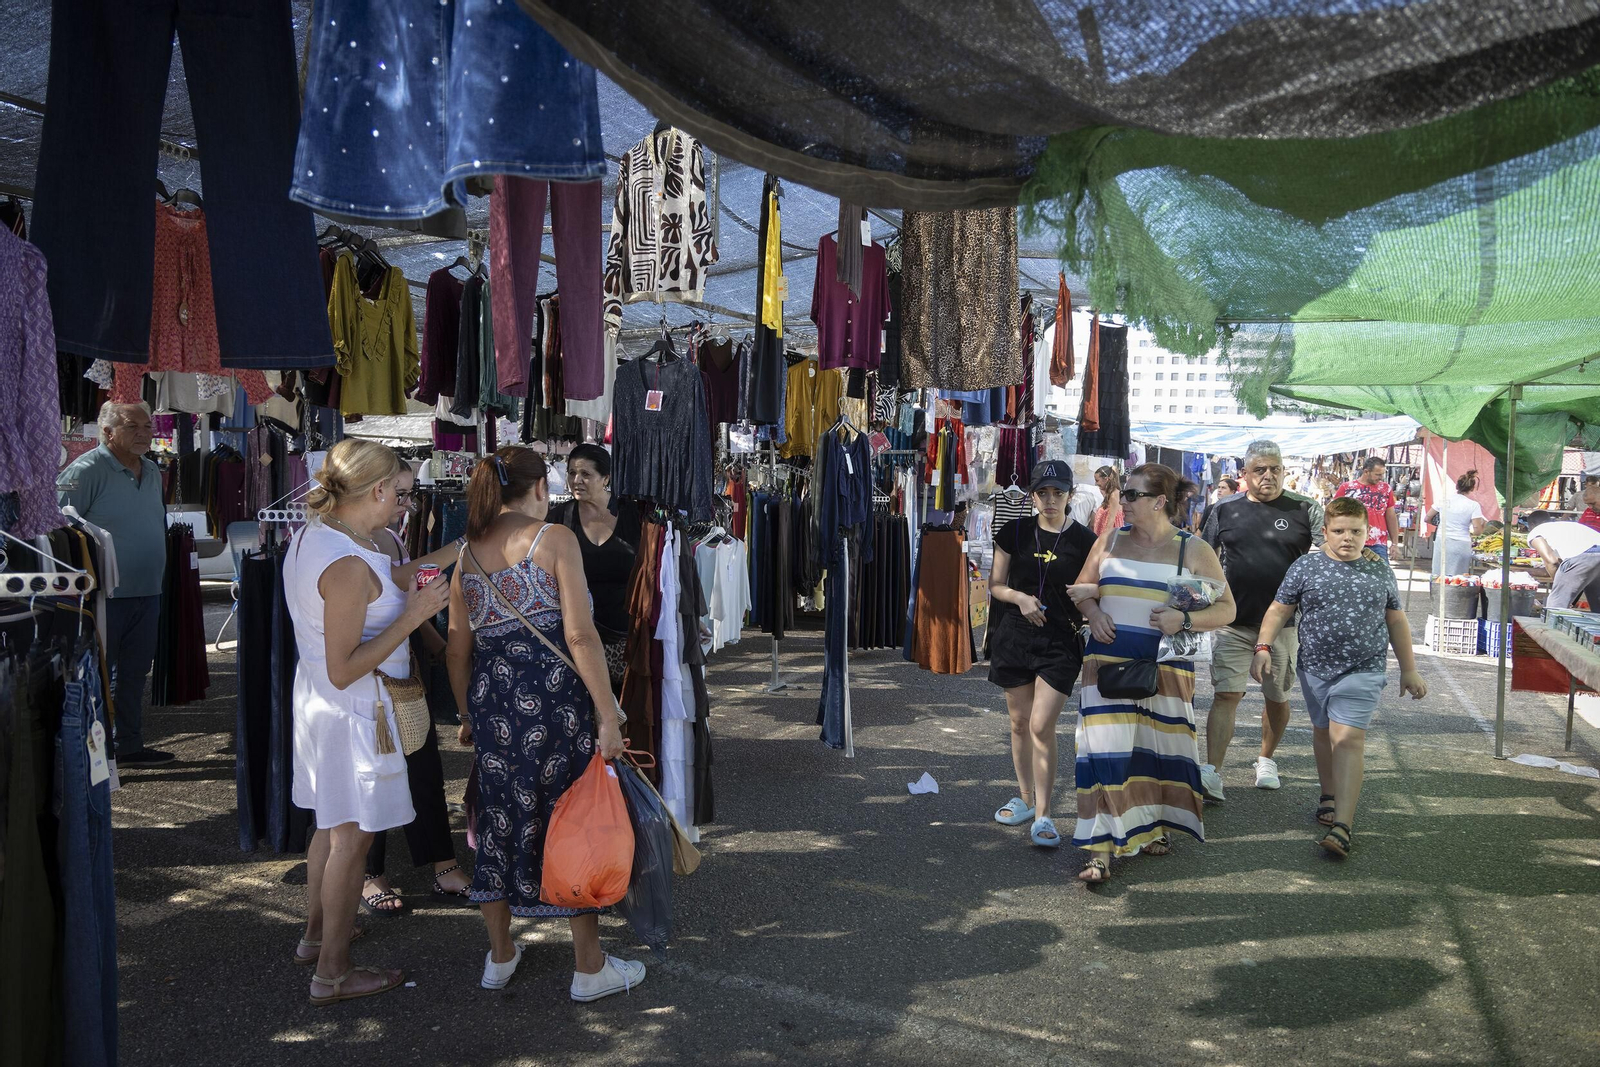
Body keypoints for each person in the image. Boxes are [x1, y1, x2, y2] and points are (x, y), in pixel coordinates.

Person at [446, 446, 642, 1000]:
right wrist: (609, 714)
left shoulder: (466, 554)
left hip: (493, 704)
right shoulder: (553, 540)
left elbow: (457, 651)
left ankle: (500, 956)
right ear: (538, 489)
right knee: (570, 816)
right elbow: (580, 637)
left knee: (498, 821)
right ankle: (588, 968)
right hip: (554, 704)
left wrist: (465, 713)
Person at [284, 439, 453, 1005]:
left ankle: (315, 937)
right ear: (377, 490)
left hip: (328, 709)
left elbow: (393, 573)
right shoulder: (348, 562)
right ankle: (332, 973)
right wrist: (415, 619)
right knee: (351, 840)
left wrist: (458, 548)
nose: (404, 504)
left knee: (331, 828)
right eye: (399, 493)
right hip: (355, 711)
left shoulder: (325, 534)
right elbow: (343, 667)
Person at [1067, 463, 1235, 884]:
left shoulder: (1192, 549)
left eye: (1132, 495)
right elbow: (1081, 589)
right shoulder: (1108, 539)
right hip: (1106, 661)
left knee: (1155, 751)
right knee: (1103, 751)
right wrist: (1093, 612)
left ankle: (1151, 826)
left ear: (1160, 501)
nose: (1122, 501)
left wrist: (1186, 620)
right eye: (1123, 494)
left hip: (1166, 666)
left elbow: (1227, 609)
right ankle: (1100, 850)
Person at [1251, 497, 1427, 857]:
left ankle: (1343, 826)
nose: (1348, 538)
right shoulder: (1305, 567)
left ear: (1367, 532)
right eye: (1339, 531)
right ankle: (1328, 794)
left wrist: (1408, 668)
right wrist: (1263, 647)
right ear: (1325, 532)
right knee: (1323, 731)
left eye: (1356, 531)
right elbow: (1278, 609)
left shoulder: (1379, 569)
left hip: (1364, 668)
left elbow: (1395, 618)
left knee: (1346, 738)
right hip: (1314, 669)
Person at [358, 464, 475, 916]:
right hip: (366, 683)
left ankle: (443, 866)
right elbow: (401, 580)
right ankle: (372, 874)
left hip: (403, 676)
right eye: (401, 495)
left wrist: (439, 645)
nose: (407, 504)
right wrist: (461, 544)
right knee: (375, 778)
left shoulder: (387, 534)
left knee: (423, 772)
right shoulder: (350, 542)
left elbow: (406, 601)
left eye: (409, 495)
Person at [1198, 439, 1323, 799]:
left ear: (1284, 471)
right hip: (1232, 621)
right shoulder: (1222, 509)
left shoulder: (1305, 508)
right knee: (1227, 694)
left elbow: (1330, 548)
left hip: (1283, 626)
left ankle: (1266, 759)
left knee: (1277, 698)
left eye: (1275, 469)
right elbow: (1201, 555)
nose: (1268, 476)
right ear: (1245, 475)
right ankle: (1213, 772)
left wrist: (1366, 558)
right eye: (1259, 470)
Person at [986, 460, 1099, 849]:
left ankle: (1045, 814)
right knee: (1018, 724)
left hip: (1060, 642)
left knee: (1040, 726)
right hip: (1014, 637)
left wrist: (1094, 610)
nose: (1050, 501)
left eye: (1058, 493)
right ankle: (1025, 797)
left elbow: (1094, 591)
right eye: (1042, 493)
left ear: (1070, 495)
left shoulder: (1087, 540)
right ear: (1032, 495)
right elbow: (996, 585)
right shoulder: (1013, 531)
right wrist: (1019, 598)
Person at [57, 402, 172, 765]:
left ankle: (129, 746)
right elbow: (61, 529)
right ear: (108, 432)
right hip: (103, 594)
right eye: (132, 426)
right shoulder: (86, 469)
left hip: (148, 588)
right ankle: (93, 752)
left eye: (147, 426)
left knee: (136, 672)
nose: (144, 432)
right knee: (97, 673)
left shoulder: (152, 469)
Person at [547, 443, 640, 695]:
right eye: (571, 473)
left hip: (627, 638)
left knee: (627, 718)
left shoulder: (633, 516)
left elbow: (657, 573)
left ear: (605, 478)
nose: (576, 480)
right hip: (577, 639)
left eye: (585, 474)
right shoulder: (557, 519)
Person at [1527, 511, 1600, 610]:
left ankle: (1552, 625)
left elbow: (1552, 561)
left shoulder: (1536, 531)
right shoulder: (1564, 525)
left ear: (1532, 525)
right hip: (1594, 550)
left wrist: (1558, 586)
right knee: (1597, 604)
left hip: (1584, 556)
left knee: (1555, 606)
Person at [1334, 457, 1400, 562]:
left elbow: (1391, 517)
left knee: (1380, 576)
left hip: (1378, 543)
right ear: (1366, 472)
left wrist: (1395, 543)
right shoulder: (1347, 488)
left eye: (1382, 474)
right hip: (1351, 542)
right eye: (1377, 474)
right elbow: (1334, 515)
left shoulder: (1385, 489)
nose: (1381, 478)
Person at [1425, 469, 1487, 577]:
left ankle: (1437, 593)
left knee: (1439, 574)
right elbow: (1477, 531)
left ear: (1457, 486)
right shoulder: (1473, 505)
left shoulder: (1444, 500)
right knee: (1458, 577)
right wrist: (1484, 525)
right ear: (1472, 488)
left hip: (1442, 541)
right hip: (1461, 543)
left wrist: (1440, 524)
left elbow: (1427, 518)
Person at [1090, 464, 1123, 535]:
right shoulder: (1109, 494)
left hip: (1107, 537)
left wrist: (1103, 540)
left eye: (1097, 480)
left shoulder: (1114, 495)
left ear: (1106, 479)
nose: (1096, 483)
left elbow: (1111, 521)